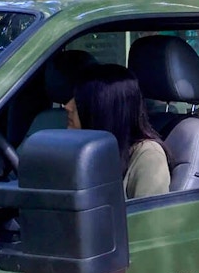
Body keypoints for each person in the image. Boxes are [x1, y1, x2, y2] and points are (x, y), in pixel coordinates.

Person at [65, 63, 170, 199]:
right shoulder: (82, 150)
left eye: (78, 100)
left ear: (103, 108)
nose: (67, 106)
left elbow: (151, 219)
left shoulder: (148, 156)